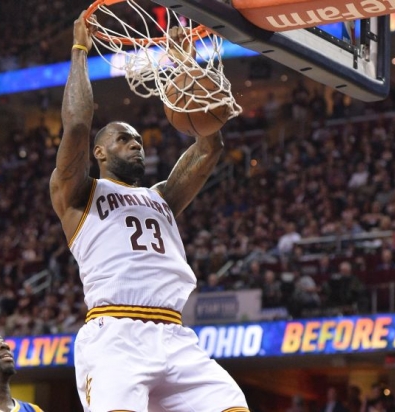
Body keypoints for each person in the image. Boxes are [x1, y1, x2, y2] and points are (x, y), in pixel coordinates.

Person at [49, 11, 249, 412]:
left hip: (174, 335)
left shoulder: (162, 197)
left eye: (139, 139)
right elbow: (76, 126)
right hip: (115, 334)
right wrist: (79, 50)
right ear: (99, 152)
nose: (136, 144)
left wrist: (185, 64)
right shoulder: (78, 193)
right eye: (124, 139)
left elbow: (209, 148)